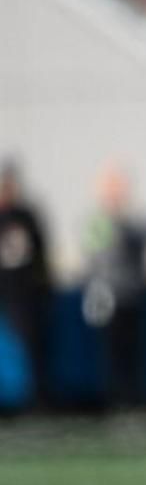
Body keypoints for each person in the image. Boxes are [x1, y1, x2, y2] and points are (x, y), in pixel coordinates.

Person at [78, 164, 146, 410]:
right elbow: (95, 258)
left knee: (136, 349)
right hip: (109, 295)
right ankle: (117, 399)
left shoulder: (132, 220)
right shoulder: (99, 221)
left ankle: (135, 398)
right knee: (113, 349)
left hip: (132, 293)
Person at [0, 160, 55, 412]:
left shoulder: (25, 215)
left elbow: (41, 253)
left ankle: (36, 398)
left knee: (34, 348)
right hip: (9, 293)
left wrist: (43, 284)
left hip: (27, 293)